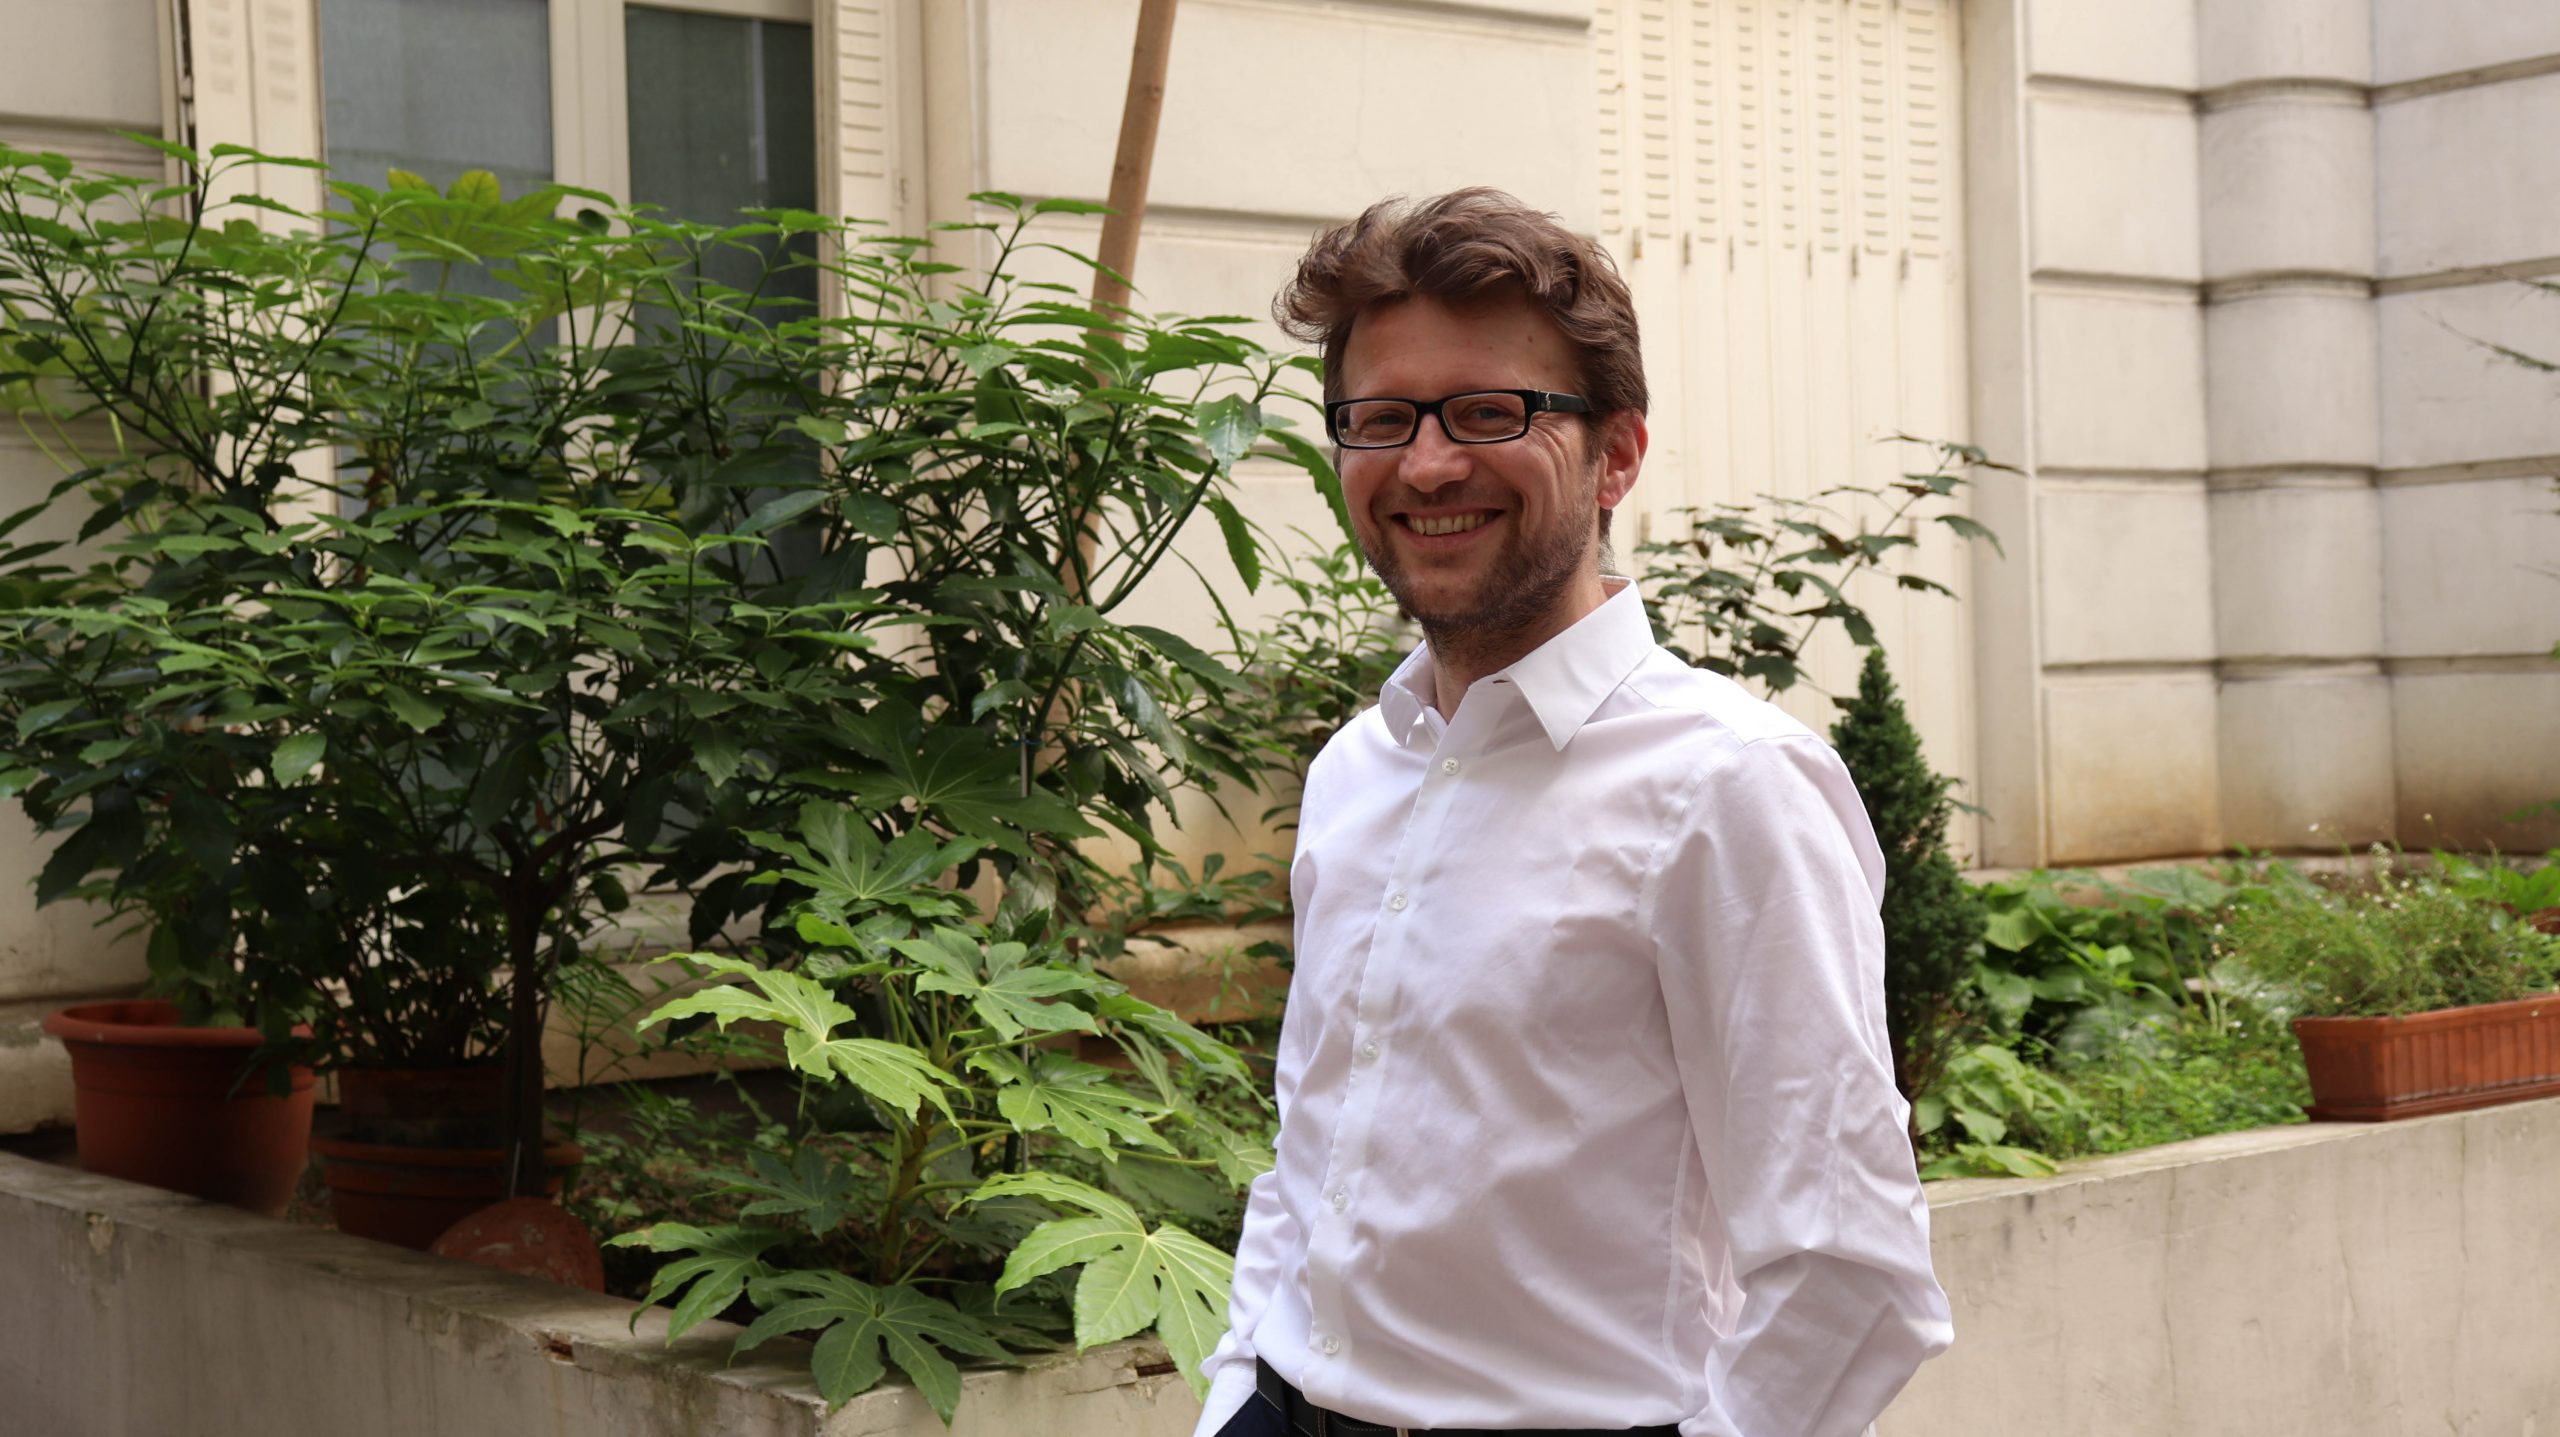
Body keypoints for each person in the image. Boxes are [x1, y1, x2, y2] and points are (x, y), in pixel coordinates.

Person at [1190, 189, 1952, 1437]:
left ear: (1618, 454)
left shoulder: (1728, 786)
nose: (1426, 464)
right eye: (1381, 419)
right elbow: (1309, 1152)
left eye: (1490, 412)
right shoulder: (1357, 770)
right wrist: (1236, 1393)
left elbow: (1847, 1265)